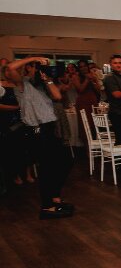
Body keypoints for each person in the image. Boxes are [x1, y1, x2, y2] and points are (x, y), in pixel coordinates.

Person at [4, 57, 73, 219]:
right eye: (35, 67)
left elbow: (57, 97)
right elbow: (11, 67)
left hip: (49, 128)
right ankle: (47, 206)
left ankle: (55, 199)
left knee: (66, 161)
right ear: (28, 69)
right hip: (36, 130)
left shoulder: (43, 85)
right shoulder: (22, 84)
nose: (37, 69)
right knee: (47, 168)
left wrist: (47, 79)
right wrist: (35, 58)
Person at [73, 61, 101, 135]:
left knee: (94, 124)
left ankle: (96, 143)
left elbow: (98, 90)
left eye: (84, 66)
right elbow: (80, 90)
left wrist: (94, 80)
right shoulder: (75, 77)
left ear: (87, 66)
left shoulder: (92, 75)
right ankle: (87, 144)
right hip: (83, 102)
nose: (83, 68)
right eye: (81, 67)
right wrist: (87, 79)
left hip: (93, 101)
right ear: (78, 68)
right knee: (85, 125)